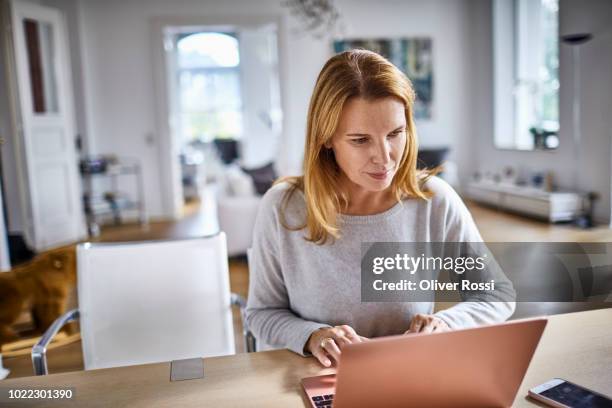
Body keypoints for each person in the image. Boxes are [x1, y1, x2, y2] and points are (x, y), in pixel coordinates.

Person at [244, 50, 515, 367]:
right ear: (326, 138)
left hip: (410, 377)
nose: (385, 157)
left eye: (395, 134)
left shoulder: (434, 200)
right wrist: (312, 335)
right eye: (360, 140)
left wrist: (446, 325)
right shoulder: (283, 208)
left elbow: (496, 294)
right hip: (320, 380)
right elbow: (261, 314)